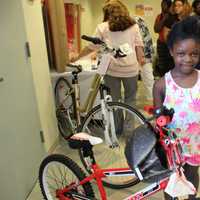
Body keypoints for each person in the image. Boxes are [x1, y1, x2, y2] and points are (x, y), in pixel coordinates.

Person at [153, 16, 200, 200]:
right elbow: (158, 119)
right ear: (171, 51)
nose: (188, 59)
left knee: (192, 175)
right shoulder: (162, 85)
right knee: (172, 180)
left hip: (195, 143)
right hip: (172, 147)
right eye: (181, 53)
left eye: (194, 53)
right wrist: (160, 121)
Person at [71, 0, 145, 108]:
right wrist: (141, 63)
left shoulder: (102, 27)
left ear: (106, 12)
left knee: (114, 101)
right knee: (131, 100)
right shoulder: (134, 26)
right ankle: (129, 125)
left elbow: (91, 47)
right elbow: (139, 46)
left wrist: (76, 57)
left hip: (112, 70)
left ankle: (117, 125)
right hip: (131, 69)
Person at [134, 16, 155, 101]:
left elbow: (147, 41)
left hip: (144, 56)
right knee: (133, 83)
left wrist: (146, 57)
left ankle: (153, 101)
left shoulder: (140, 23)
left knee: (149, 79)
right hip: (132, 58)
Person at [154, 0, 173, 77]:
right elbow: (156, 29)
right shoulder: (159, 16)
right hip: (161, 44)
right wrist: (164, 18)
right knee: (162, 65)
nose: (163, 6)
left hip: (171, 44)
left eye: (165, 4)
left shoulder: (174, 16)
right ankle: (163, 81)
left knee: (172, 64)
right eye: (162, 4)